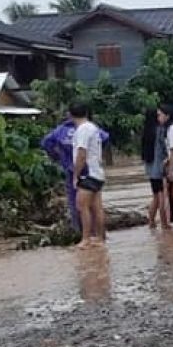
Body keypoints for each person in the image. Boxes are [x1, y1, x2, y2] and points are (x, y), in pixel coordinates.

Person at [41, 117, 108, 231]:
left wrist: (57, 156)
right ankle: (98, 236)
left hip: (73, 171)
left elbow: (46, 143)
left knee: (77, 206)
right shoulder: (90, 127)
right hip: (91, 171)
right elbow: (105, 138)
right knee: (95, 206)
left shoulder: (60, 131)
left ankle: (82, 234)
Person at [69, 103, 106, 248]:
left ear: (70, 115)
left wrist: (76, 175)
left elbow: (81, 154)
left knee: (82, 206)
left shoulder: (82, 130)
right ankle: (100, 238)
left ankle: (86, 239)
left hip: (87, 173)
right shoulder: (93, 127)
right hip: (97, 172)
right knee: (97, 207)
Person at [140, 109, 170, 230]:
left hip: (150, 168)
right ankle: (164, 223)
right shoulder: (160, 130)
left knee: (156, 196)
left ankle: (151, 222)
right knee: (161, 196)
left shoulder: (146, 132)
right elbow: (165, 148)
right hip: (160, 167)